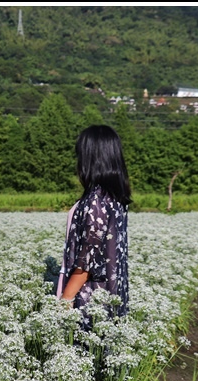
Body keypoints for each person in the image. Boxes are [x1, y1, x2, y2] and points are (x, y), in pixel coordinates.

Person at [56, 125, 131, 330]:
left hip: (91, 300)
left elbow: (87, 259)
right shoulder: (115, 199)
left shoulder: (96, 200)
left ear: (91, 158)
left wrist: (65, 300)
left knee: (86, 353)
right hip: (111, 297)